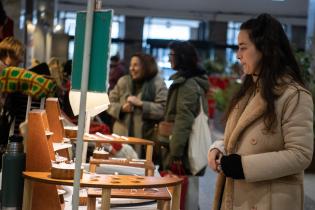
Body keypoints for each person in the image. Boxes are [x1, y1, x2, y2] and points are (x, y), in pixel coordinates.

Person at [207, 13, 313, 210]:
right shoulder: (249, 90)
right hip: (238, 195)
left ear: (264, 49)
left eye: (243, 48)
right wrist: (219, 147)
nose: (238, 55)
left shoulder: (294, 95)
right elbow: (242, 136)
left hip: (268, 200)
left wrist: (244, 166)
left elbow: (300, 154)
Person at [162, 40, 209, 210]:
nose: (168, 60)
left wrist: (175, 153)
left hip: (183, 148)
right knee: (188, 194)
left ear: (181, 57)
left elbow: (184, 120)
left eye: (171, 55)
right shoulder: (191, 82)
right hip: (184, 146)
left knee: (184, 197)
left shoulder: (187, 84)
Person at [107, 52, 167, 157]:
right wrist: (121, 108)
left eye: (136, 65)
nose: (131, 68)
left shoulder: (158, 83)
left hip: (147, 141)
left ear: (146, 66)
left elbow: (163, 109)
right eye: (130, 65)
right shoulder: (123, 81)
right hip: (121, 139)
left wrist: (141, 104)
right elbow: (108, 103)